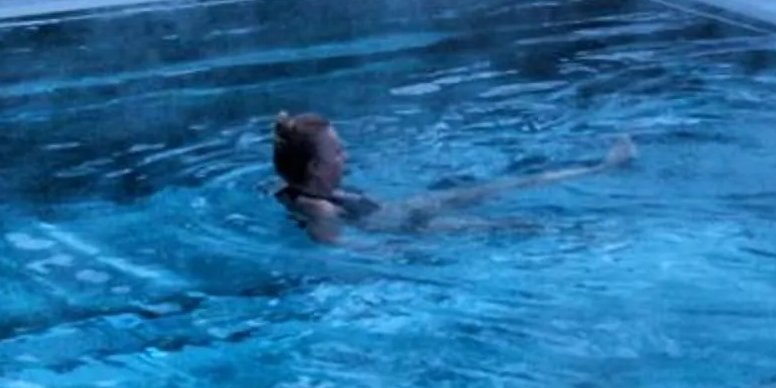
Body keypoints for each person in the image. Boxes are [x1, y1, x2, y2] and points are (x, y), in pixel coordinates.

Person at [270, 110, 633, 244]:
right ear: (315, 167)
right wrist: (398, 251)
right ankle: (589, 233)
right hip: (407, 227)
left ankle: (599, 168)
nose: (345, 156)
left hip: (403, 209)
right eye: (337, 152)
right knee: (503, 226)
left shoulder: (291, 189)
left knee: (500, 187)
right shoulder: (320, 209)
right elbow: (337, 245)